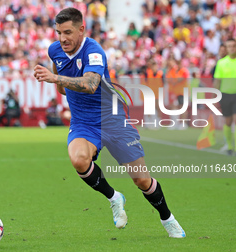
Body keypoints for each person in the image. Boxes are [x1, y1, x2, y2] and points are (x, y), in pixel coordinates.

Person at [34, 8, 185, 238]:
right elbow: (62, 88)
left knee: (141, 180)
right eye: (58, 33)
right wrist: (58, 81)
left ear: (81, 29)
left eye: (67, 32)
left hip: (113, 120)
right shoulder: (55, 50)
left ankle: (168, 218)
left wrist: (55, 78)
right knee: (79, 160)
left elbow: (91, 84)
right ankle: (114, 197)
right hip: (84, 122)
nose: (62, 38)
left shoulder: (94, 51)